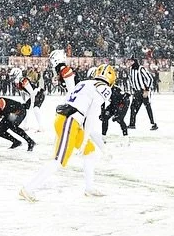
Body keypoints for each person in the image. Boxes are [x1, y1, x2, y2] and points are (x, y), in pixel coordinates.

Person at [20, 63, 115, 201]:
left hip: (67, 118)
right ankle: (28, 188)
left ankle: (89, 187)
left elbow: (70, 101)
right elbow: (92, 116)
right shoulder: (103, 88)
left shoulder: (85, 82)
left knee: (90, 152)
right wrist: (84, 139)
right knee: (58, 161)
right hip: (70, 121)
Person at [127, 58, 158, 131]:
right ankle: (132, 124)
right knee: (133, 107)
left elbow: (150, 78)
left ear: (135, 61)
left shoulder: (141, 69)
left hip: (143, 91)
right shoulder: (131, 69)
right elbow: (131, 80)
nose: (130, 63)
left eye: (131, 61)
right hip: (137, 92)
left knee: (147, 107)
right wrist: (132, 90)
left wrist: (147, 90)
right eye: (129, 61)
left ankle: (153, 123)